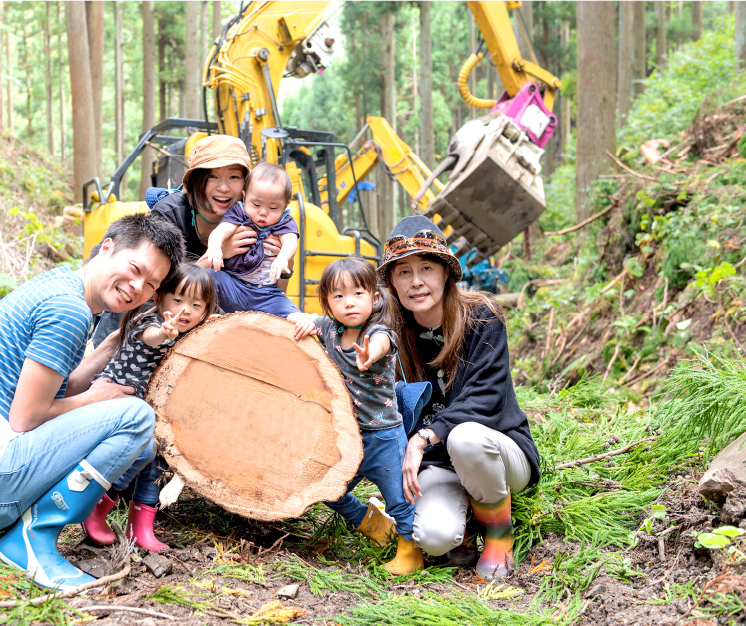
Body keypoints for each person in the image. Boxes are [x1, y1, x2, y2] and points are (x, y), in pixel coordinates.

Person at [0, 213, 185, 592]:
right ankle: (31, 540)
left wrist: (110, 347)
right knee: (137, 418)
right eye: (134, 269)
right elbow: (27, 416)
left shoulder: (61, 289)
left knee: (124, 416)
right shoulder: (68, 311)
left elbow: (56, 392)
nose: (137, 287)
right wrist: (97, 397)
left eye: (151, 284)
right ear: (107, 247)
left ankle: (25, 532)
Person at [379, 215, 540, 581]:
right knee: (435, 539)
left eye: (426, 268)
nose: (416, 281)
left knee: (464, 436)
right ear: (391, 281)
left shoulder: (482, 317)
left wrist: (422, 438)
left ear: (446, 273)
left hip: (496, 453)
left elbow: (484, 397)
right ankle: (464, 523)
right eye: (403, 272)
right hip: (439, 466)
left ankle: (499, 534)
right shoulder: (389, 334)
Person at [91, 134, 288, 346]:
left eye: (233, 177)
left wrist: (286, 264)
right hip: (142, 311)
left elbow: (269, 292)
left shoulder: (255, 220)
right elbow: (153, 285)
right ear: (194, 180)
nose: (223, 188)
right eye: (212, 177)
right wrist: (218, 253)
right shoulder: (169, 214)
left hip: (198, 321)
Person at [82, 263, 217, 552]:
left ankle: (141, 524)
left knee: (158, 458)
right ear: (159, 299)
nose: (186, 310)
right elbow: (152, 336)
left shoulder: (188, 333)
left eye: (196, 305)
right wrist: (164, 332)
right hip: (121, 397)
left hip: (150, 407)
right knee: (142, 451)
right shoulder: (149, 321)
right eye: (178, 300)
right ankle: (97, 506)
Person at [311, 257, 422, 575]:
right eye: (338, 296)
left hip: (384, 437)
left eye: (357, 294)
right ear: (328, 303)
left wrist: (369, 353)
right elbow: (299, 317)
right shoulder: (330, 329)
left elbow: (381, 344)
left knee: (399, 498)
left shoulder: (378, 332)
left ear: (374, 298)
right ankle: (371, 523)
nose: (348, 303)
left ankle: (409, 551)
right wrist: (301, 322)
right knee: (330, 490)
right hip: (348, 436)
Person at [200, 163, 312, 338]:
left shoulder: (284, 221)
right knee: (210, 276)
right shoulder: (239, 213)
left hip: (267, 294)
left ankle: (305, 321)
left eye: (273, 208)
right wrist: (215, 247)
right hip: (234, 286)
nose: (263, 213)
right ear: (244, 197)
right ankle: (202, 318)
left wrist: (283, 257)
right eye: (256, 204)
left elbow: (291, 241)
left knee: (289, 310)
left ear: (285, 205)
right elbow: (220, 231)